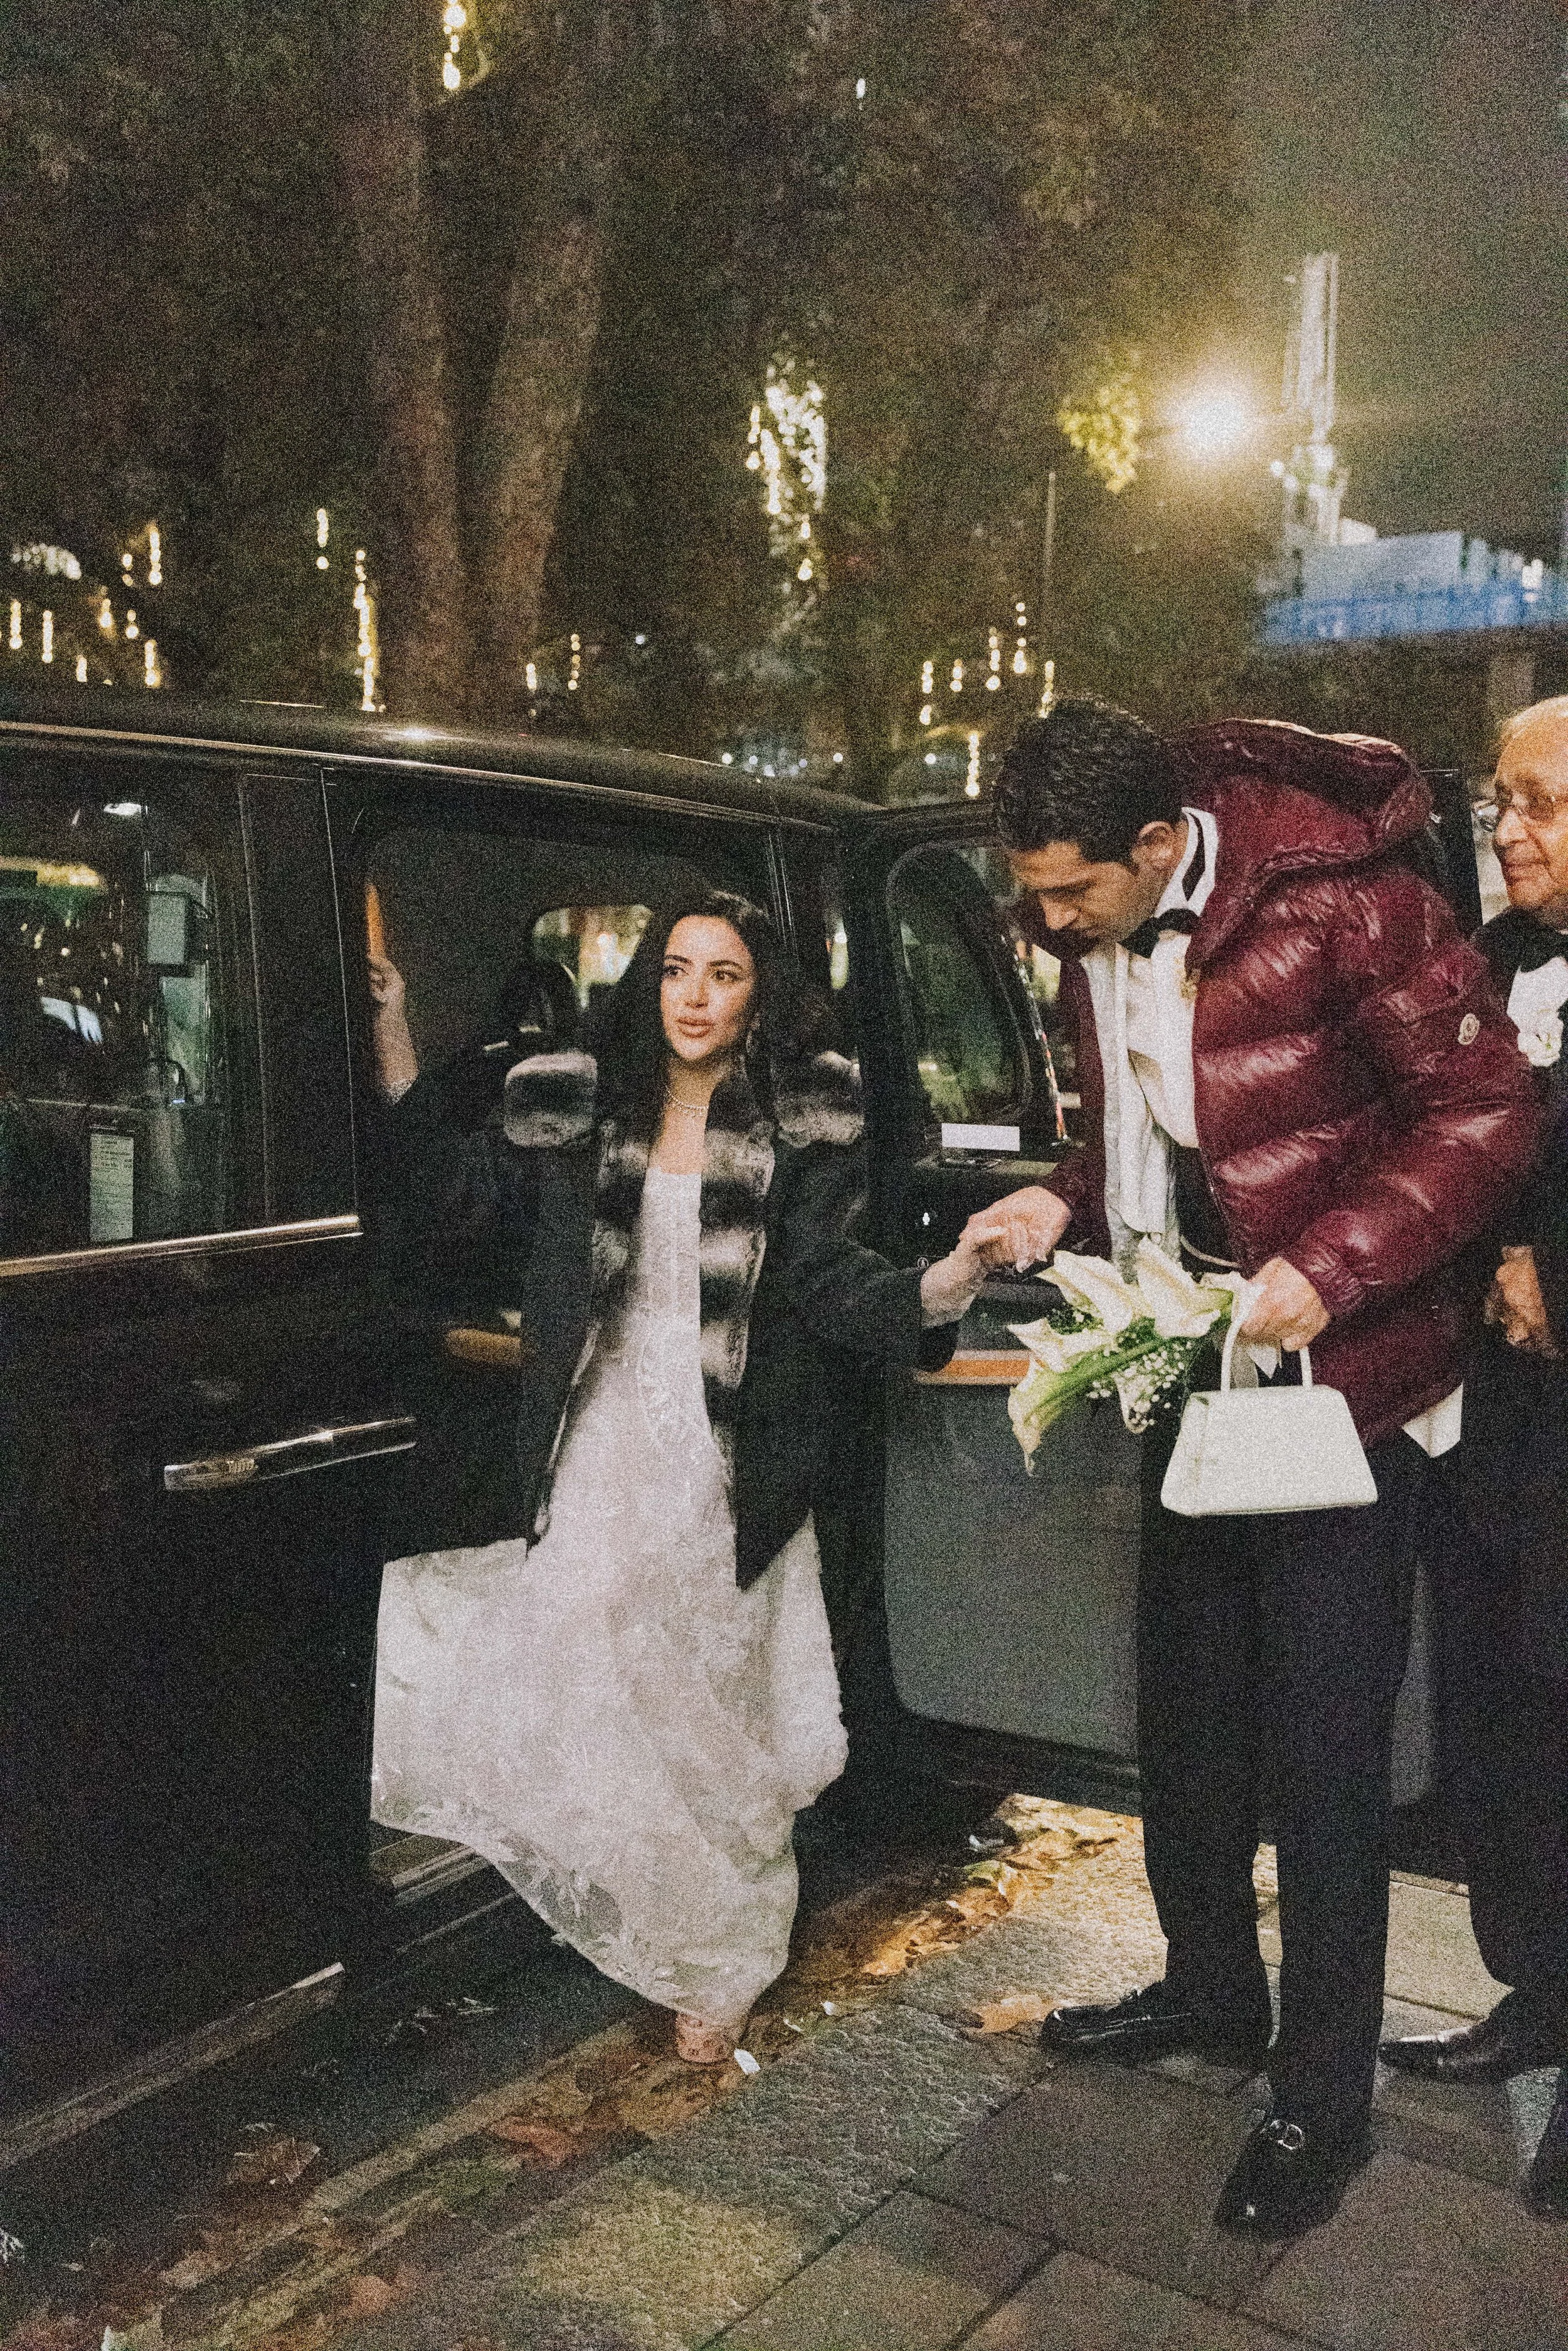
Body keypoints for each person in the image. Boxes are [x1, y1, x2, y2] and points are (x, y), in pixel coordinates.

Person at [972, 699, 1538, 2237]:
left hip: (1346, 1393)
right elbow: (1164, 1135)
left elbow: (1483, 1111)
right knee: (1192, 1717)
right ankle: (1211, 1993)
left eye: (1069, 889)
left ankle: (1318, 2095)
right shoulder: (1093, 926)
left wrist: (1333, 1268)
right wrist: (1054, 1204)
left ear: (1158, 845)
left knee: (1324, 1758)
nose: (1046, 918)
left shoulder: (1348, 895)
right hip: (1193, 1374)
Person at [364, 889, 1008, 2063]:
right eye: (675, 971)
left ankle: (722, 1949)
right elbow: (468, 1203)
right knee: (598, 1665)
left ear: (759, 995)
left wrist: (942, 1284)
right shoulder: (585, 1103)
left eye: (722, 975)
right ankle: (645, 1911)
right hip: (600, 1430)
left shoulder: (801, 1129)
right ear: (648, 983)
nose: (695, 997)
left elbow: (828, 1283)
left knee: (707, 1706)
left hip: (730, 1450)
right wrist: (398, 1042)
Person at [1378, 694, 1568, 2217]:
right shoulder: (1481, 971)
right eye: (1496, 801)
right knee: (1505, 1718)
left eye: (1538, 804)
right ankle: (1531, 1991)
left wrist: (1545, 1272)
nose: (1503, 829)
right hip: (1491, 1435)